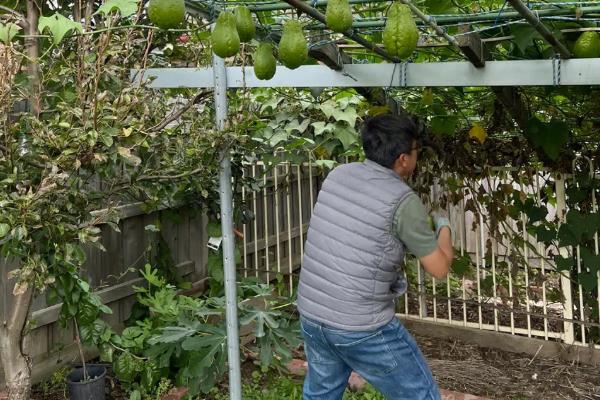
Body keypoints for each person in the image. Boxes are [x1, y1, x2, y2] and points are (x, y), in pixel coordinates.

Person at [296, 113, 454, 400]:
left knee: (320, 395)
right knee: (421, 396)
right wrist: (443, 227)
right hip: (360, 326)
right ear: (403, 159)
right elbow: (439, 268)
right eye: (416, 150)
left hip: (313, 313)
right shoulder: (403, 202)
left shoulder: (338, 174)